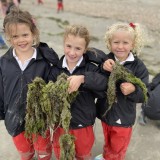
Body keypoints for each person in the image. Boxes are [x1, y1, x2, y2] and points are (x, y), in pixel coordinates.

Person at [0, 7, 59, 160]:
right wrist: (2, 113)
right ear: (8, 37)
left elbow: (52, 88)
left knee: (43, 149)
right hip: (14, 118)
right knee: (24, 150)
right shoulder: (3, 63)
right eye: (15, 36)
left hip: (40, 119)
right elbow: (1, 90)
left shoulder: (44, 62)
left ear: (34, 33)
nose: (21, 40)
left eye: (25, 34)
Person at [49, 24, 107, 160]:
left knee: (83, 153)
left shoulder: (90, 69)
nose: (72, 52)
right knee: (61, 153)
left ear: (85, 49)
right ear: (63, 44)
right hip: (60, 124)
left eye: (78, 48)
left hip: (83, 123)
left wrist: (83, 79)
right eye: (68, 46)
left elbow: (103, 84)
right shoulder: (56, 70)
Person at [95, 22, 149, 160]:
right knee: (108, 139)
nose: (120, 46)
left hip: (123, 118)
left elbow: (144, 94)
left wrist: (133, 89)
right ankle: (107, 155)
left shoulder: (138, 66)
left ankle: (113, 157)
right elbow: (97, 80)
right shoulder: (107, 60)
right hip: (105, 113)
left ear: (133, 44)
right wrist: (102, 67)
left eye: (125, 42)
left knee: (118, 147)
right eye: (116, 42)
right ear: (109, 43)